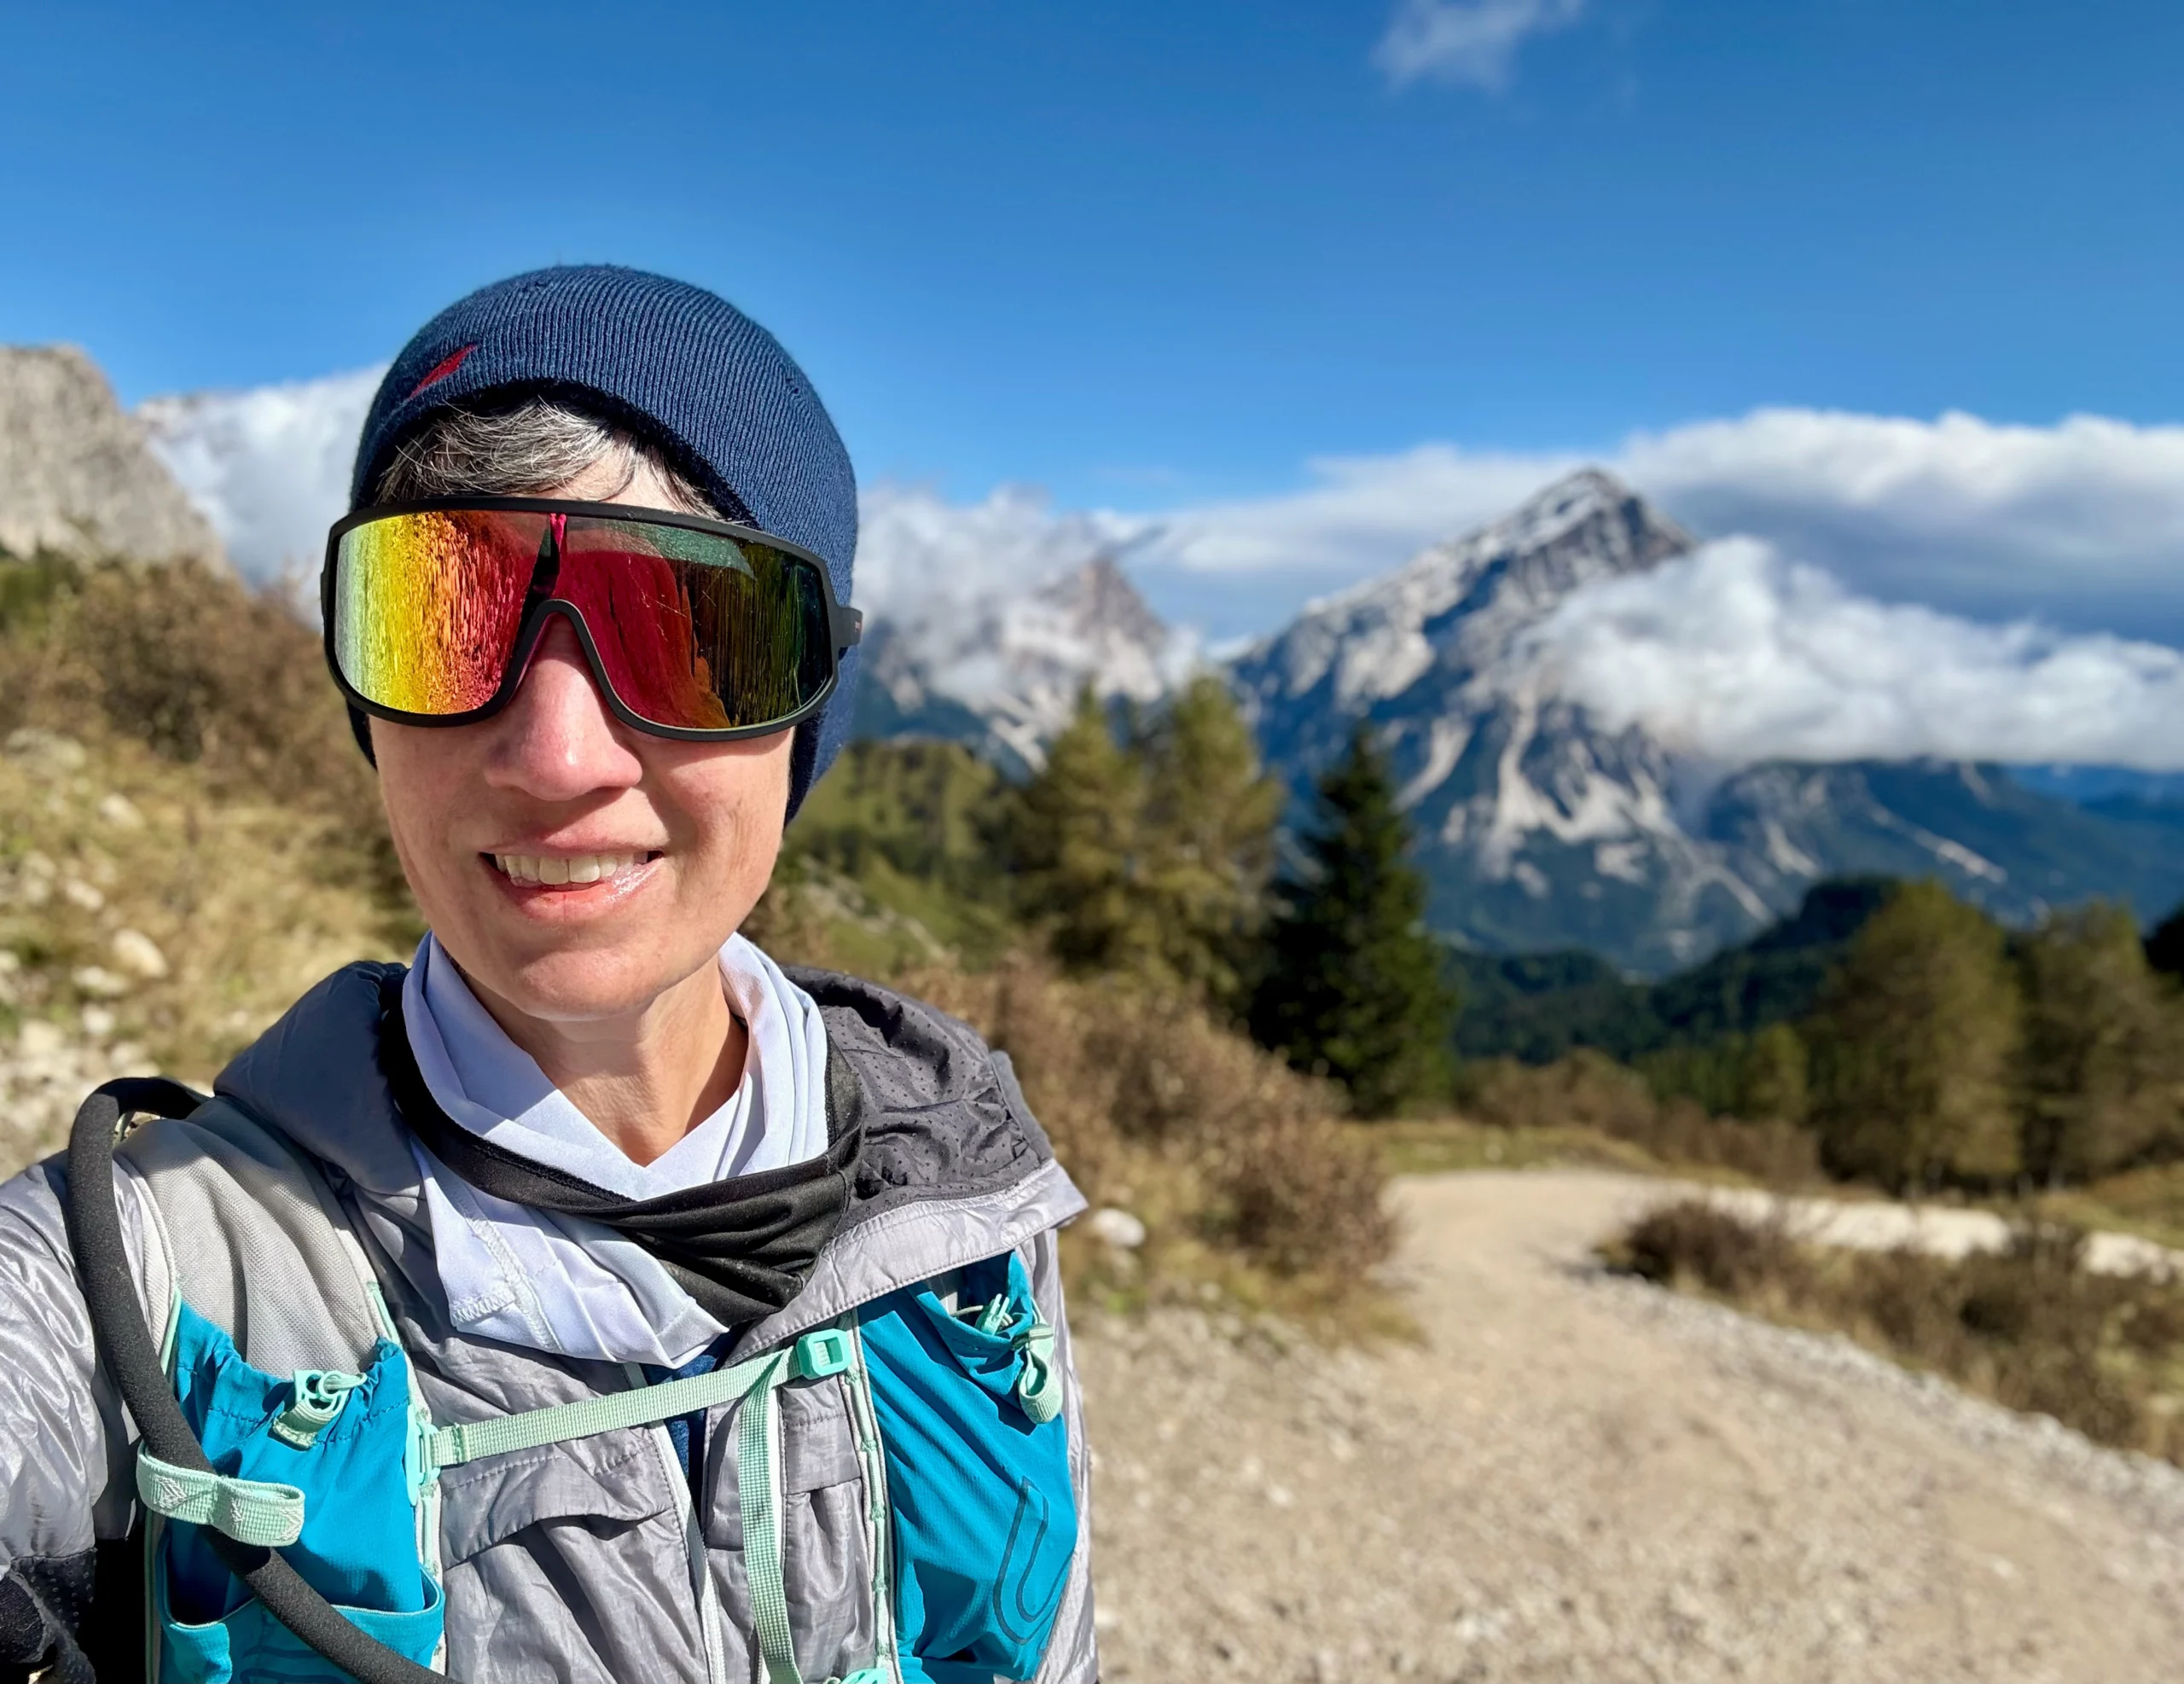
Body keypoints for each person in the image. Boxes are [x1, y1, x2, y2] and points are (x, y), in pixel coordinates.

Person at [0, 266, 1096, 1684]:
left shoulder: (965, 1209)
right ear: (365, 706)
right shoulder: (146, 1276)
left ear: (811, 697)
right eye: (444, 612)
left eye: (692, 628)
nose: (558, 754)